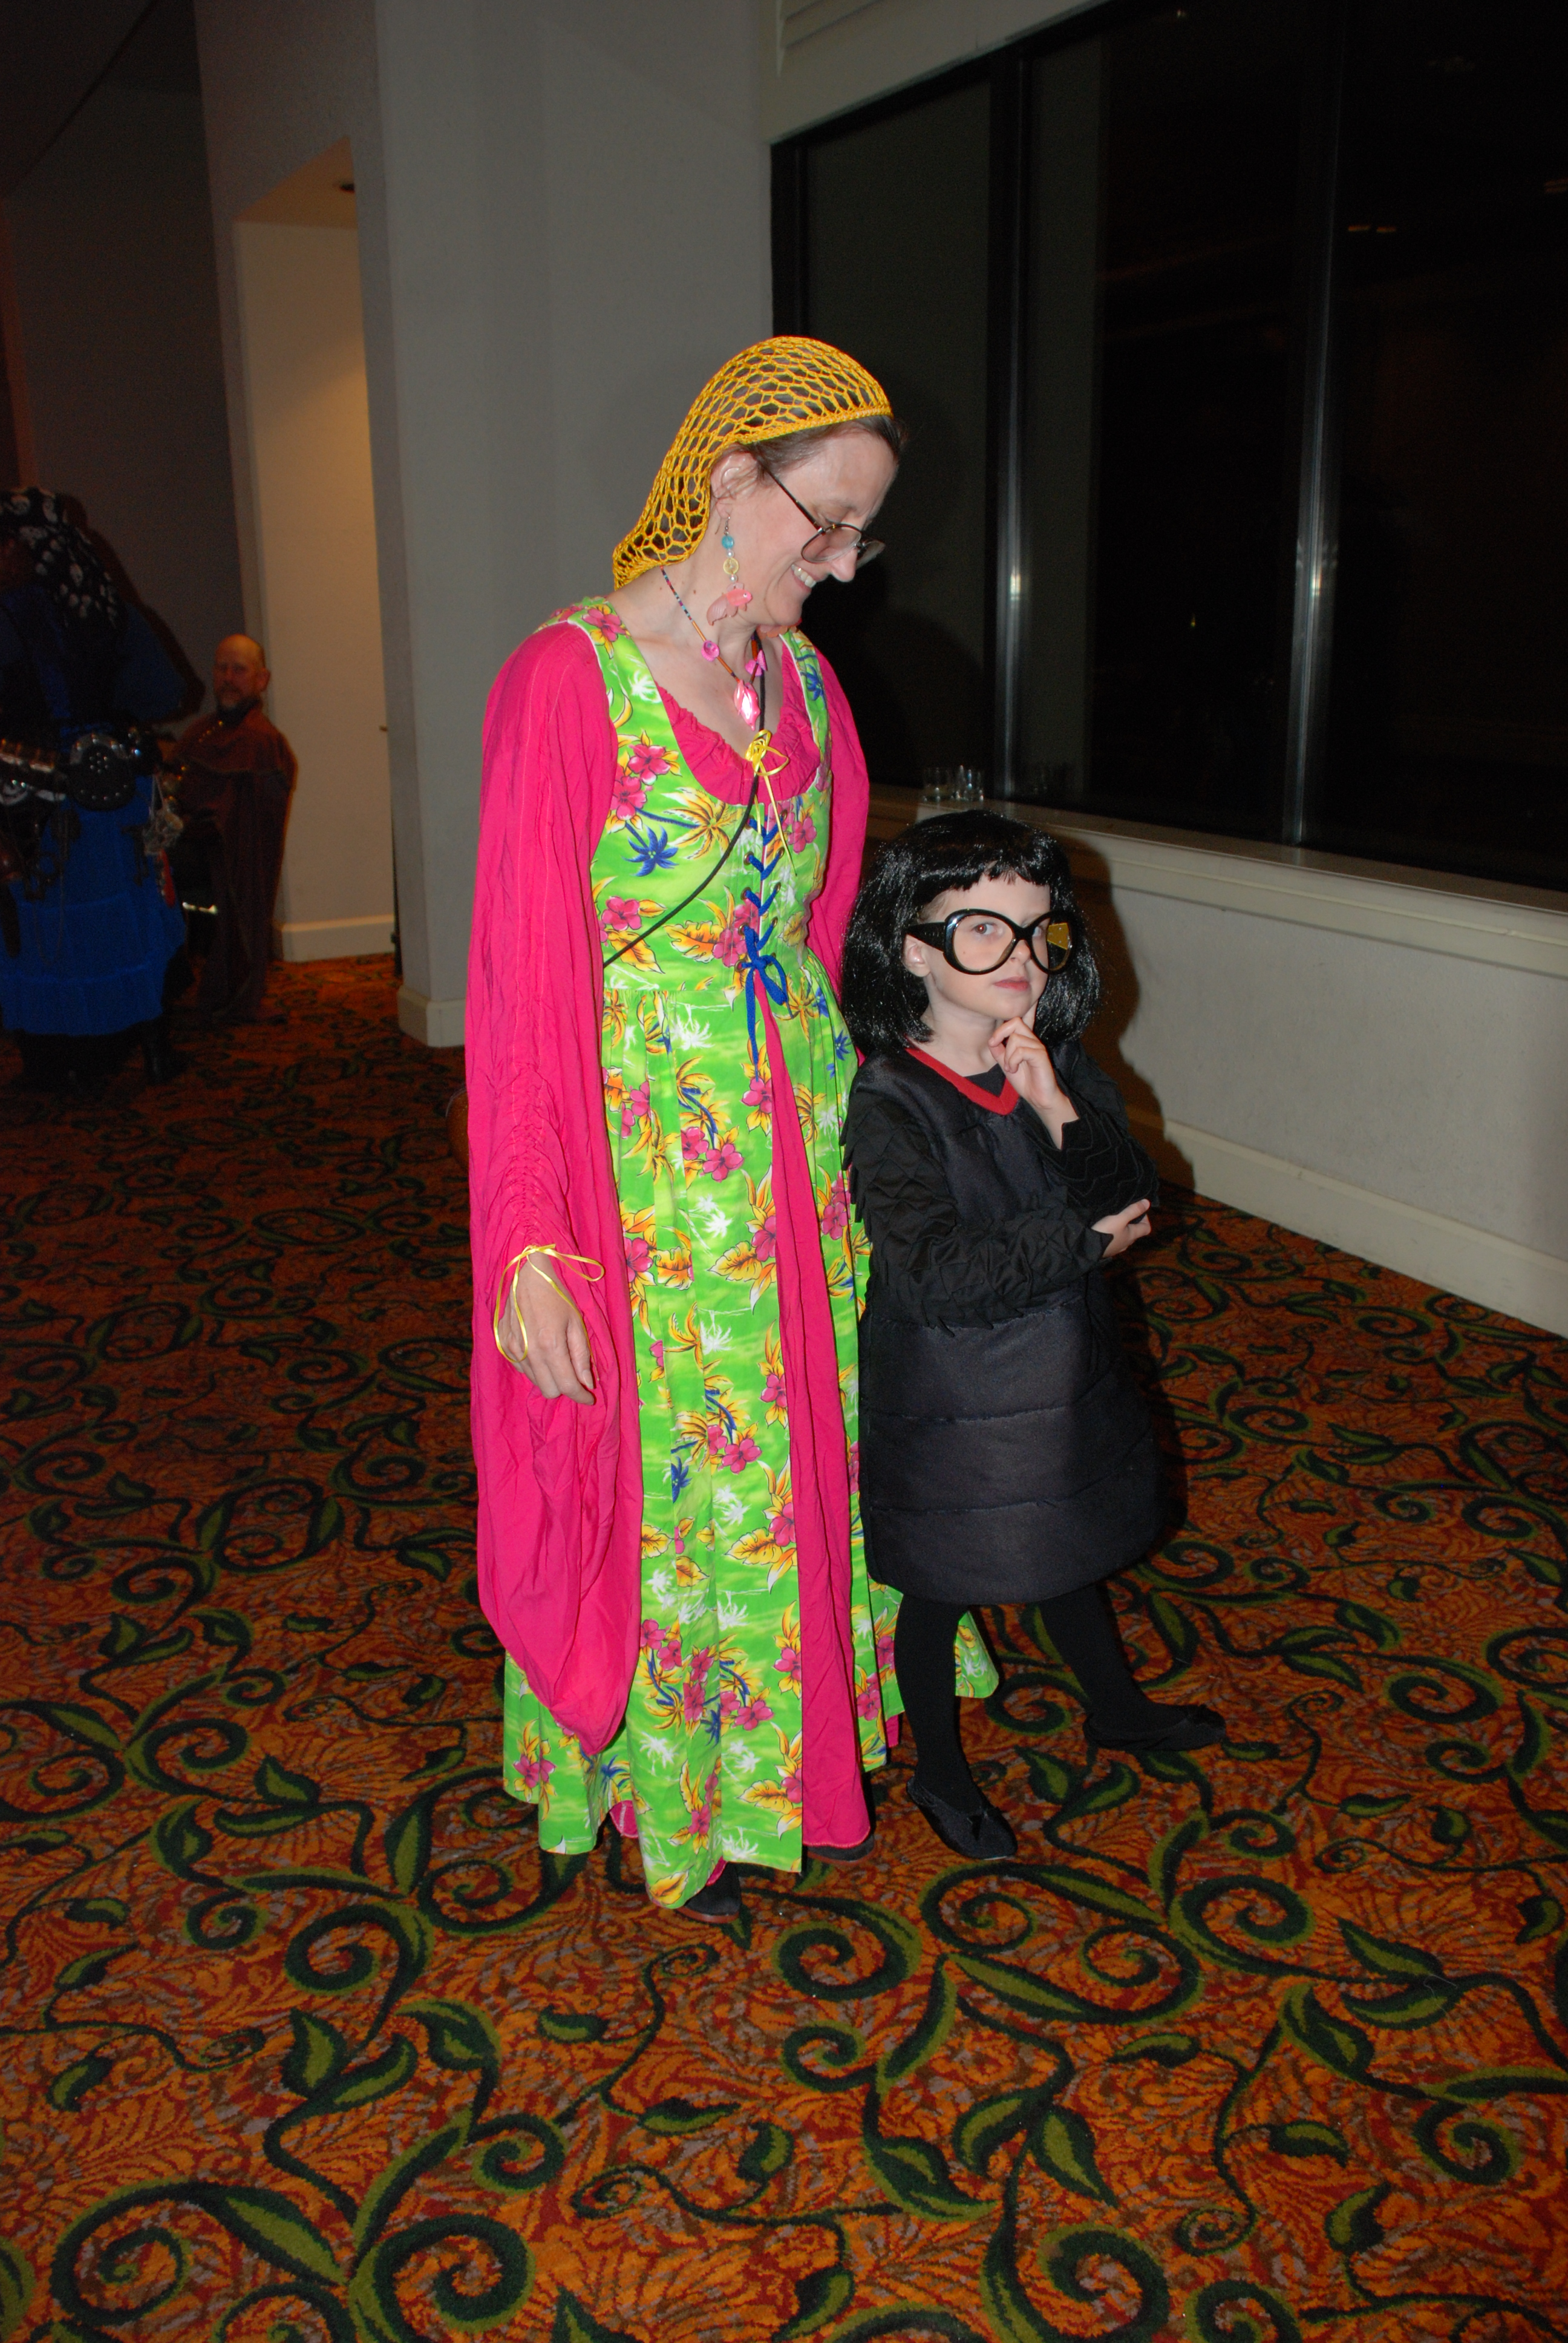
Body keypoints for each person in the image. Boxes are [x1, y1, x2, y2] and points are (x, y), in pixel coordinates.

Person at [467, 336, 998, 1922]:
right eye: (825, 525)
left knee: (806, 1451)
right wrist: (531, 1238)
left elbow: (824, 940)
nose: (840, 568)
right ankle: (672, 1788)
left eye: (861, 541)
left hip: (806, 1155)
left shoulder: (810, 689)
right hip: (647, 1170)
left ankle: (785, 1757)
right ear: (728, 480)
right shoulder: (569, 680)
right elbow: (518, 991)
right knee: (686, 1478)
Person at [838, 810, 1225, 1861]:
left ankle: (1118, 1709)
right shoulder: (890, 1099)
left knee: (1066, 1544)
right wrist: (1082, 1240)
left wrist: (1053, 1101)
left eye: (1038, 930)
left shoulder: (1053, 1060)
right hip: (952, 1395)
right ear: (913, 951)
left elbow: (1130, 1190)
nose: (1020, 955)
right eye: (982, 930)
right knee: (939, 1586)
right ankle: (941, 1773)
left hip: (1060, 1366)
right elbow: (935, 1275)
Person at [0, 488, 188, 1090]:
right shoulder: (107, 606)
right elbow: (163, 694)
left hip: (31, 791)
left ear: (22, 546)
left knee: (44, 925)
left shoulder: (8, 616)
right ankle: (151, 1051)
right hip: (112, 790)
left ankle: (55, 1060)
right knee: (125, 918)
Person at [169, 635, 296, 1023]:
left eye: (239, 670)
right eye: (222, 668)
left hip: (228, 855)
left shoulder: (264, 743)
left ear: (261, 679)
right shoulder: (200, 732)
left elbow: (252, 819)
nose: (228, 678)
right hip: (187, 845)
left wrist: (201, 822)